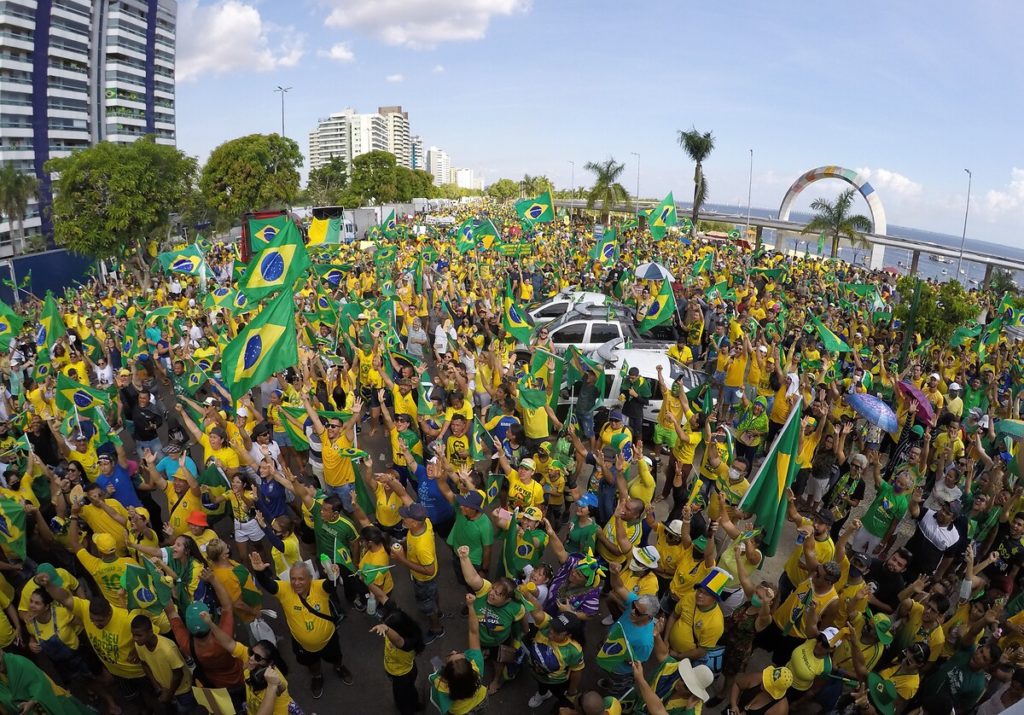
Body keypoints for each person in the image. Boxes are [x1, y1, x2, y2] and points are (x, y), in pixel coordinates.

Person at [247, 554, 354, 698]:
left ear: (310, 579)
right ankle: (317, 677)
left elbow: (330, 585)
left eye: (301, 579)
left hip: (329, 639)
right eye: (293, 579)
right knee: (311, 663)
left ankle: (339, 667)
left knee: (336, 656)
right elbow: (269, 585)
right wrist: (259, 572)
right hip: (302, 645)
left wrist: (331, 574)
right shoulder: (285, 590)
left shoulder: (319, 587)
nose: (296, 583)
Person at [201, 608, 298, 715]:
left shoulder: (277, 684)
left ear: (269, 664)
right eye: (252, 652)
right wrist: (210, 624)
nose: (251, 658)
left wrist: (272, 687)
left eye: (258, 658)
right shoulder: (249, 659)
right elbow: (228, 643)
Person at [367, 582, 425, 715]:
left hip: (402, 675)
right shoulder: (397, 614)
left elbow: (398, 641)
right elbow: (381, 596)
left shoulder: (408, 643)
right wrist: (366, 580)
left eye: (388, 627)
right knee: (410, 691)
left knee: (403, 698)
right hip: (400, 670)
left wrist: (386, 629)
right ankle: (415, 704)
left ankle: (409, 709)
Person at [429, 593, 488, 715]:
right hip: (481, 700)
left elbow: (434, 678)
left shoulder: (442, 685)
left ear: (446, 677)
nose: (454, 651)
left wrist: (436, 671)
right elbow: (473, 632)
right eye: (460, 655)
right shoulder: (476, 663)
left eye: (451, 655)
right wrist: (471, 607)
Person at [130, 614, 197, 713]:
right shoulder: (139, 645)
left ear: (150, 632)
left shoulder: (168, 649)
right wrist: (157, 686)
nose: (135, 639)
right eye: (133, 635)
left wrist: (169, 694)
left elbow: (178, 674)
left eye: (139, 635)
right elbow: (144, 664)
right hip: (165, 690)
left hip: (183, 691)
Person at [728, 665, 793, 715]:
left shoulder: (780, 710)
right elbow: (737, 684)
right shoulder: (759, 677)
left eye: (768, 684)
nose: (763, 682)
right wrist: (734, 705)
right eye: (766, 679)